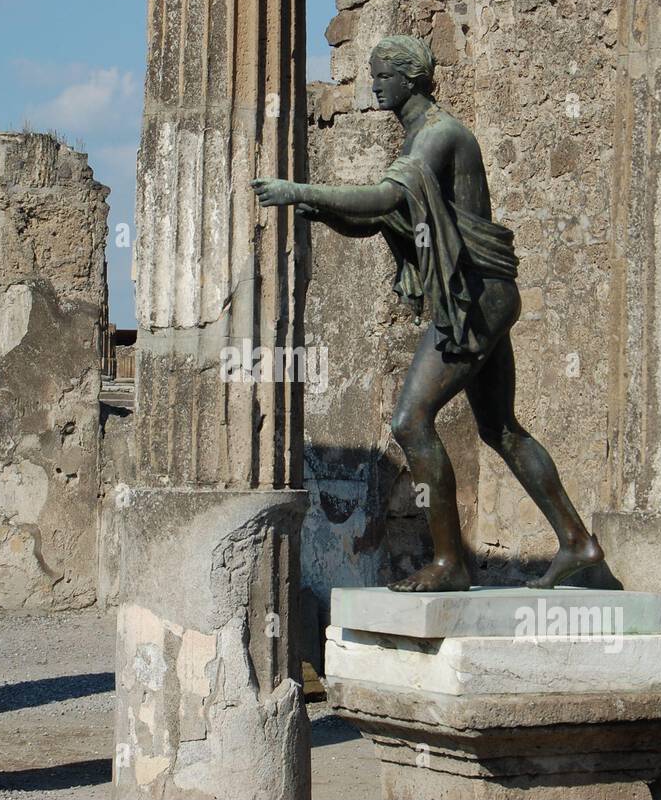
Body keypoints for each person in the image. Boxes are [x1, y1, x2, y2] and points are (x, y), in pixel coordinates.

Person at [252, 35, 602, 591]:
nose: (373, 85)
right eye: (372, 75)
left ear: (410, 79)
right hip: (481, 294)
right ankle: (577, 542)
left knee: (409, 421)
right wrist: (315, 207)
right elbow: (383, 219)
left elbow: (386, 201)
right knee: (501, 429)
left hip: (476, 299)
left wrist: (298, 190)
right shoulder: (419, 139)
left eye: (382, 76)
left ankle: (450, 562)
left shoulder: (440, 136)